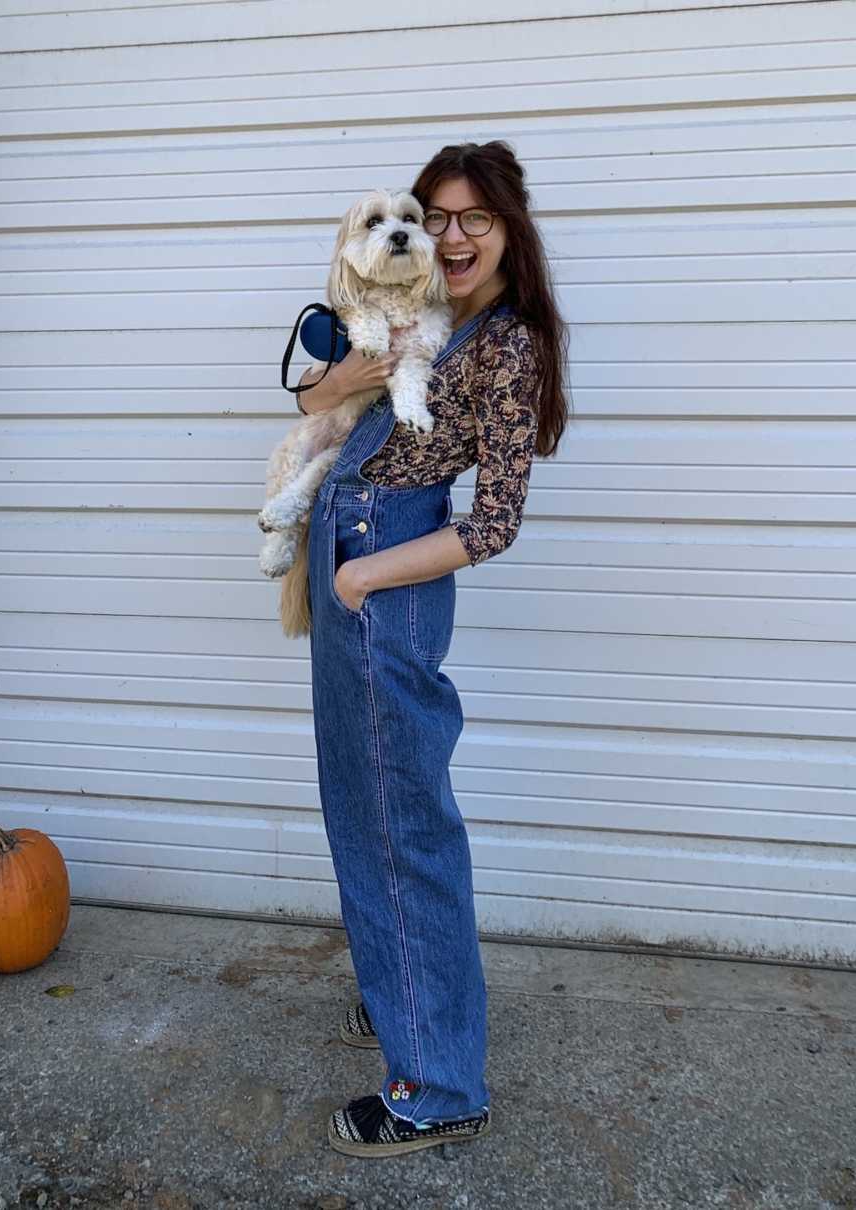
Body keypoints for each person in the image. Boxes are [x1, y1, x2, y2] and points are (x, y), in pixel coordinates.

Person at [296, 140, 569, 1158]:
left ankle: (440, 1082)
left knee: (406, 824)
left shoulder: (507, 346)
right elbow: (313, 403)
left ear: (509, 231)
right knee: (357, 805)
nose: (451, 236)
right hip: (343, 547)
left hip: (383, 572)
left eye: (475, 219)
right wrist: (341, 379)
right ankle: (401, 992)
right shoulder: (420, 315)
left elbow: (493, 523)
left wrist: (363, 575)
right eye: (438, 214)